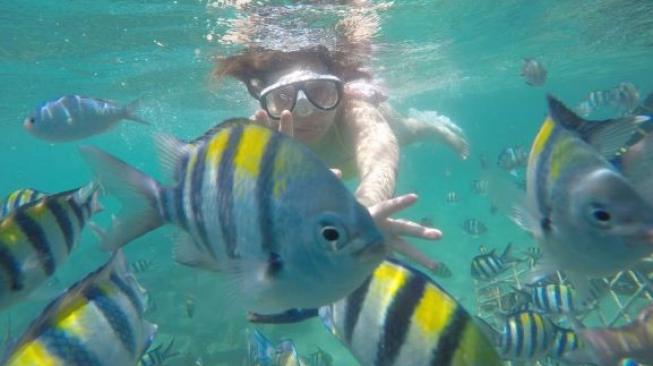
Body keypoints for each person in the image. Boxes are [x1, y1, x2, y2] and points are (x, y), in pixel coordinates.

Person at [211, 3, 468, 276]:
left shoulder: (356, 111)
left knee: (412, 130)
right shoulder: (261, 132)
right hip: (340, 161)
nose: (306, 111)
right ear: (262, 98)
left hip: (385, 132)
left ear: (340, 90)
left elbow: (381, 161)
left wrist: (362, 215)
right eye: (283, 97)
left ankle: (434, 126)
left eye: (320, 91)